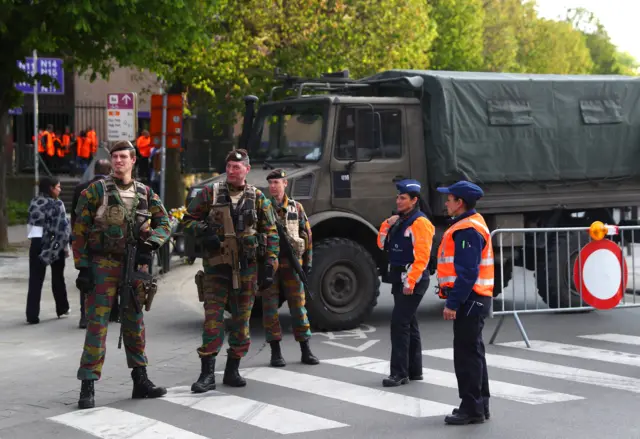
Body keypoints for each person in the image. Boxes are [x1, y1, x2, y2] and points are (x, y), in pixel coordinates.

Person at [72, 140, 172, 410]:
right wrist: (82, 267)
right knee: (97, 326)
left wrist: (151, 244)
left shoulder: (145, 193)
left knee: (134, 324)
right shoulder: (96, 191)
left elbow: (166, 222)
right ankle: (88, 385)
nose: (118, 161)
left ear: (133, 160)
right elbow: (79, 229)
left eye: (123, 157)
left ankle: (141, 380)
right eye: (114, 157)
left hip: (132, 267)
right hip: (101, 266)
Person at [182, 149, 279, 393]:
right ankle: (207, 374)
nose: (231, 171)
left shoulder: (257, 197)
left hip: (246, 269)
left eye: (237, 167)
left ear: (247, 169)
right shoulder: (210, 193)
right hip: (216, 269)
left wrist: (269, 265)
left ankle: (233, 369)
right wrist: (205, 231)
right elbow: (187, 220)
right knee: (212, 320)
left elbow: (270, 232)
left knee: (241, 320)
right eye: (228, 167)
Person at [435, 180, 494, 425]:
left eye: (449, 199)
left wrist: (453, 303)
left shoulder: (466, 230)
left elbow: (468, 272)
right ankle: (480, 405)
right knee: (474, 352)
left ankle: (471, 408)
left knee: (466, 355)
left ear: (460, 203)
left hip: (470, 299)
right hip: (476, 299)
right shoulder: (469, 224)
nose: (446, 202)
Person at [377, 179, 435, 387]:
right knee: (409, 322)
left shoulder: (420, 223)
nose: (398, 201)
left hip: (412, 280)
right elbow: (382, 243)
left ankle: (399, 373)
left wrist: (410, 282)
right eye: (398, 197)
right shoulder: (400, 220)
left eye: (403, 198)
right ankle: (414, 370)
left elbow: (422, 257)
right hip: (399, 278)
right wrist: (387, 224)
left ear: (414, 200)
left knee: (399, 324)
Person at [262, 169, 319, 367]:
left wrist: (308, 262)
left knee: (298, 307)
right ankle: (275, 353)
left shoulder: (296, 208)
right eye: (270, 183)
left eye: (276, 182)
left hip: (292, 264)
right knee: (269, 309)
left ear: (285, 184)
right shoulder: (263, 208)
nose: (273, 186)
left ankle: (306, 349)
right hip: (271, 265)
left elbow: (307, 235)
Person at [71, 159, 113, 329]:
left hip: (84, 239)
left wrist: (74, 237)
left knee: (85, 277)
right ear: (109, 170)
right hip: (106, 241)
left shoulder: (80, 188)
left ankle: (84, 315)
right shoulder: (110, 189)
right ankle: (109, 312)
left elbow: (74, 216)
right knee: (108, 276)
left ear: (94, 170)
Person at [25, 176, 71, 324]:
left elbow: (31, 227)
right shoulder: (58, 205)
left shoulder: (34, 202)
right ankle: (62, 308)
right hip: (55, 245)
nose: (60, 189)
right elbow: (63, 229)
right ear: (51, 188)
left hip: (37, 244)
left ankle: (32, 315)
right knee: (58, 277)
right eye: (58, 187)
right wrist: (65, 248)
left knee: (35, 281)